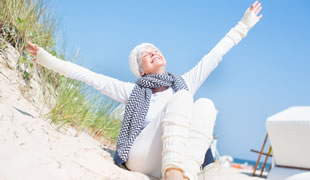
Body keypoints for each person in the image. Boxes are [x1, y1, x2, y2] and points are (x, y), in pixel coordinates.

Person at [26, 1, 262, 180]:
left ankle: (184, 173)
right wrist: (47, 60)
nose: (153, 52)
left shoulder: (183, 82)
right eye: (145, 55)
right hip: (141, 157)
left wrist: (244, 25)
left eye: (155, 49)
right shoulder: (133, 91)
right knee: (183, 98)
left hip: (174, 159)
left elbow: (215, 55)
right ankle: (174, 174)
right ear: (142, 71)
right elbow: (89, 77)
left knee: (205, 105)